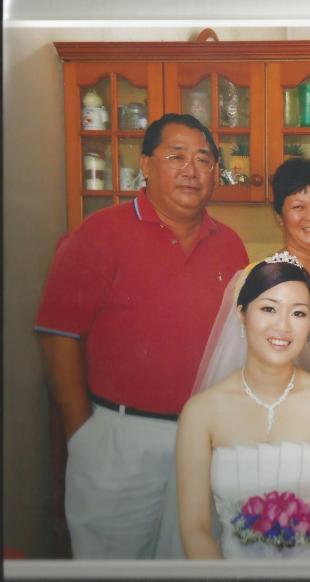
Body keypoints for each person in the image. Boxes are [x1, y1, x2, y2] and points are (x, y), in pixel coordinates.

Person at [34, 113, 249, 558]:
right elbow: (58, 335)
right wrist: (82, 433)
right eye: (177, 156)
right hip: (118, 438)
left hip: (202, 438)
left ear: (215, 173)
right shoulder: (100, 233)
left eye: (204, 159)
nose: (191, 169)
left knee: (192, 558)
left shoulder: (231, 245)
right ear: (147, 165)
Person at [176, 252, 310, 559]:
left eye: (298, 313)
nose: (283, 326)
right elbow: (195, 529)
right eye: (269, 309)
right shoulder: (200, 413)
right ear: (242, 314)